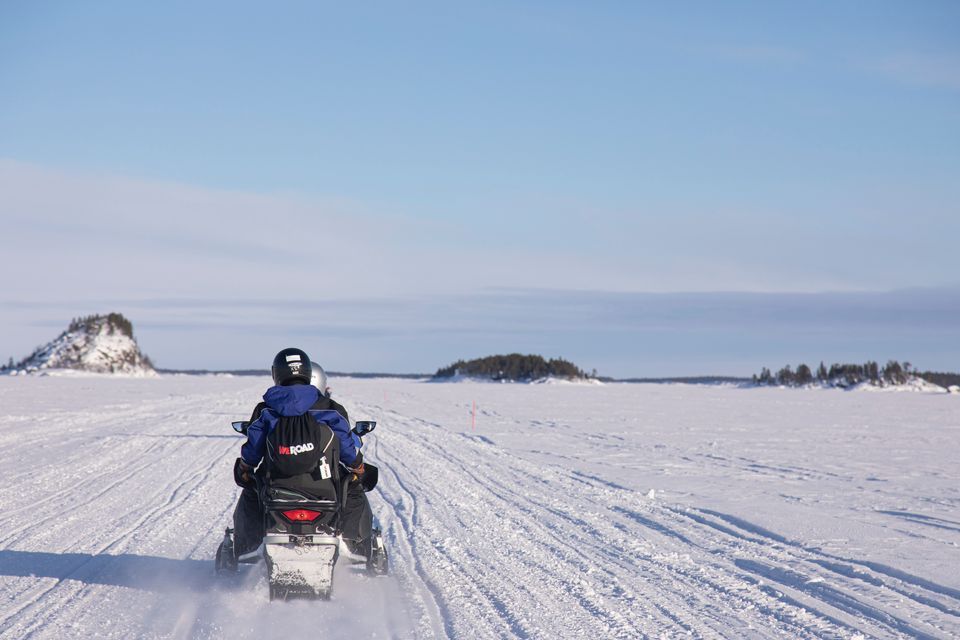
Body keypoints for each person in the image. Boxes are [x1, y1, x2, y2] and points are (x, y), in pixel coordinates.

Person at [231, 348, 372, 560]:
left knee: (251, 490)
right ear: (306, 372)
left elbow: (253, 449)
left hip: (276, 492)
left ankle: (248, 547)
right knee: (354, 489)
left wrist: (245, 468)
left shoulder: (266, 410)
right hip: (325, 492)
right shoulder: (331, 409)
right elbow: (347, 448)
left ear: (276, 374)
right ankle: (354, 545)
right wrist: (358, 466)